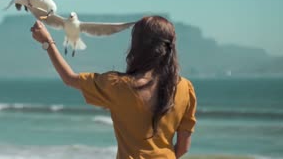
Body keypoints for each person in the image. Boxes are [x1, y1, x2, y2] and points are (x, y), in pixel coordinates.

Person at [30, 15, 197, 159]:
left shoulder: (118, 85)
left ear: (137, 45)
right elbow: (183, 148)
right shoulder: (184, 88)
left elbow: (69, 78)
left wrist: (47, 42)